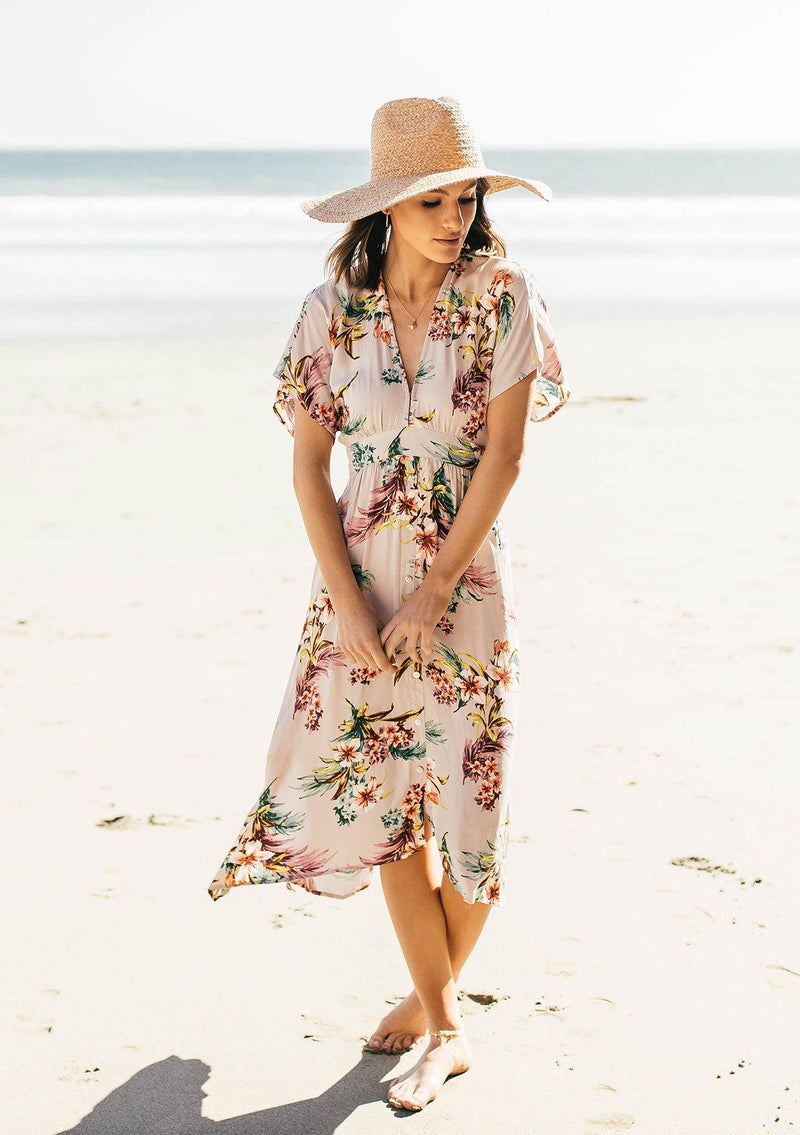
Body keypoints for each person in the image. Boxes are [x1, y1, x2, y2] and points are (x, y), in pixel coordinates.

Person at [207, 94, 571, 1112]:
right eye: (430, 204)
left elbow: (502, 456)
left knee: (469, 800)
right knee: (387, 803)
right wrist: (351, 607)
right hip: (354, 588)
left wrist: (436, 590)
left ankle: (432, 1004)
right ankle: (442, 1015)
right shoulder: (330, 315)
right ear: (385, 212)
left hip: (464, 590)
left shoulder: (502, 295)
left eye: (464, 200)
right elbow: (308, 473)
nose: (454, 220)